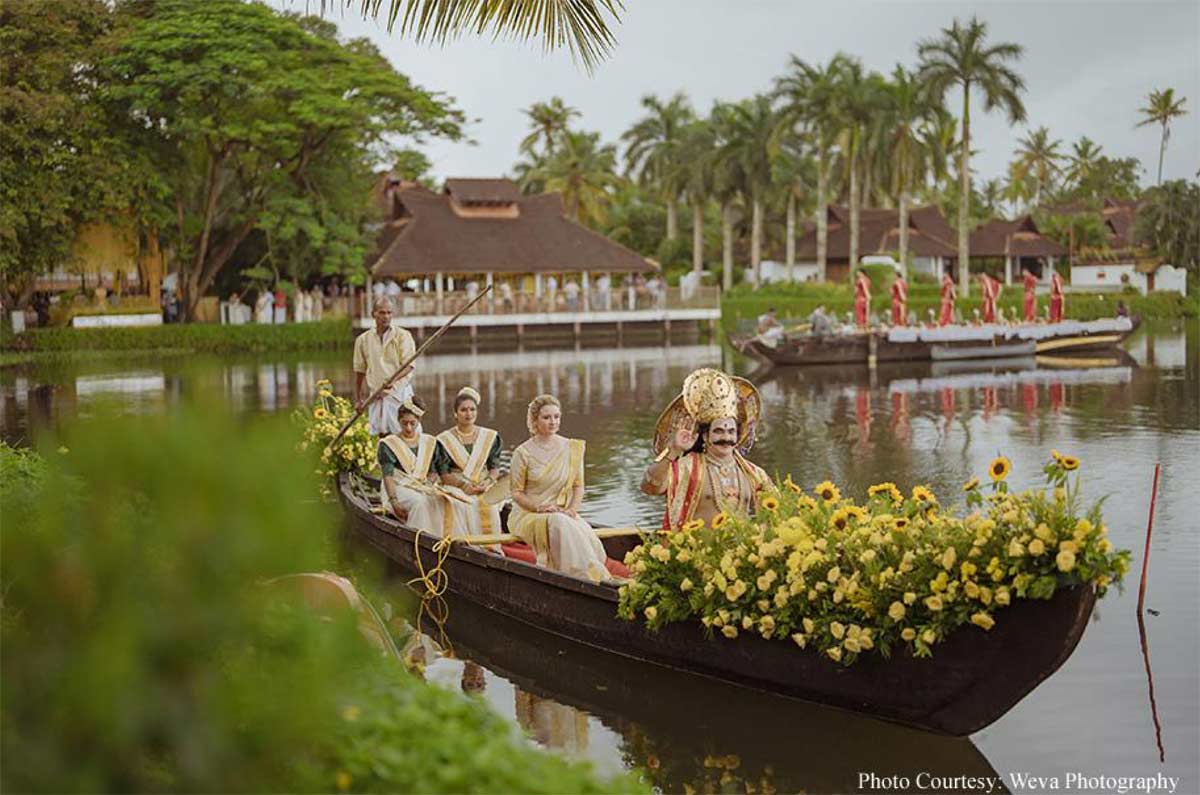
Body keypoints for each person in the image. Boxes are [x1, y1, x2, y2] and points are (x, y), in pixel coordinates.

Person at [641, 368, 773, 530]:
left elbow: (776, 512)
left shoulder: (753, 473)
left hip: (742, 551)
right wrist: (673, 450)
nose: (726, 438)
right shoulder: (688, 467)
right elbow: (650, 487)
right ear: (705, 436)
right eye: (718, 431)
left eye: (731, 432)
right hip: (696, 552)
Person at [509, 394, 611, 581]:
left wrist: (572, 510)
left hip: (562, 511)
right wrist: (539, 508)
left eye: (556, 416)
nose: (552, 422)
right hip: (529, 514)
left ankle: (591, 573)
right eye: (546, 417)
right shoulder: (522, 453)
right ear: (534, 420)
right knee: (559, 521)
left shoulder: (572, 448)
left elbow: (578, 486)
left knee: (577, 526)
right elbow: (516, 493)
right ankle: (582, 577)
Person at [378, 396, 484, 543]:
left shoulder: (428, 442)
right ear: (398, 421)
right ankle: (420, 543)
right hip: (397, 487)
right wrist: (394, 501)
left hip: (422, 486)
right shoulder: (389, 444)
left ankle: (445, 540)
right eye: (404, 423)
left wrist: (431, 481)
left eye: (412, 423)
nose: (408, 428)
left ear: (419, 422)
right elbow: (388, 476)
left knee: (443, 500)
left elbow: (434, 472)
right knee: (420, 502)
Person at [433, 387, 503, 537]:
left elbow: (494, 468)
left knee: (489, 504)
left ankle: (491, 546)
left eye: (472, 409)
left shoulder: (489, 437)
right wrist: (464, 486)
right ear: (455, 413)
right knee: (464, 504)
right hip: (456, 484)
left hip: (483, 483)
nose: (469, 414)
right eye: (464, 410)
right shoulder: (444, 440)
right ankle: (468, 545)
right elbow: (444, 474)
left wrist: (488, 481)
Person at [353, 297, 416, 436]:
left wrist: (392, 381)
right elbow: (359, 371)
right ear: (373, 314)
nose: (386, 317)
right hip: (376, 395)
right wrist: (358, 399)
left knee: (405, 435)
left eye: (389, 313)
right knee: (379, 437)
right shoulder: (363, 340)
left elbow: (409, 366)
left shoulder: (403, 336)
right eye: (382, 313)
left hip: (399, 394)